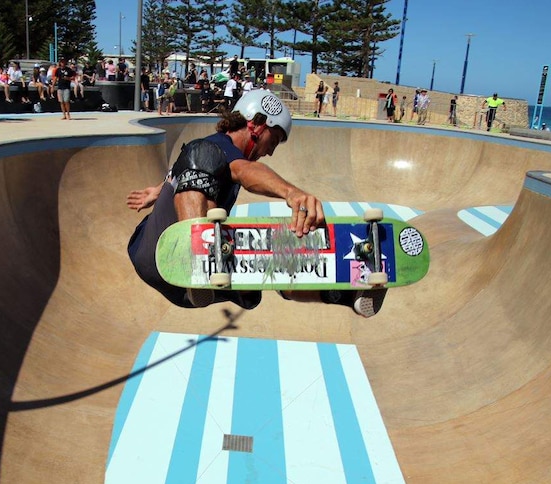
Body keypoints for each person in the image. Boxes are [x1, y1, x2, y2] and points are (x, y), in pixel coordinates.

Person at [126, 91, 387, 318]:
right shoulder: (213, 148)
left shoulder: (211, 156)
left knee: (275, 255)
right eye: (272, 141)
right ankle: (198, 259)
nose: (270, 151)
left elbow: (193, 173)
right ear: (257, 126)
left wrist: (159, 190)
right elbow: (243, 171)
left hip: (185, 290)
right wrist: (292, 193)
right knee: (202, 156)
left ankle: (346, 295)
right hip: (157, 253)